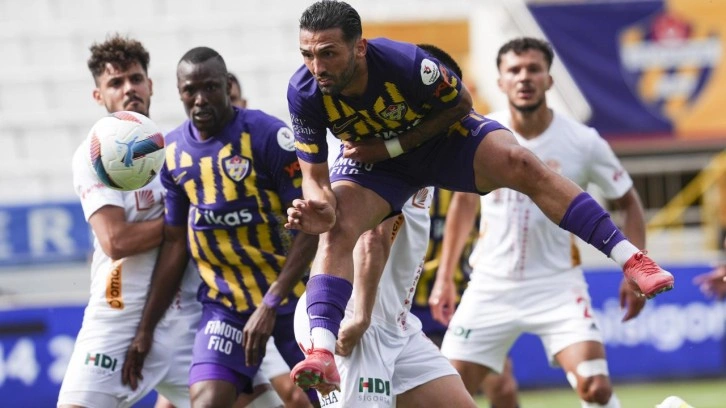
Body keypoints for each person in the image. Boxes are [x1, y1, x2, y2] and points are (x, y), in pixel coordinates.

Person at [284, 0, 673, 393]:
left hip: (439, 142)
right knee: (337, 229)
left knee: (522, 162)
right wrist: (322, 207)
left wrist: (393, 147)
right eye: (307, 55)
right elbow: (314, 178)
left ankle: (632, 259)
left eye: (328, 53)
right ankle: (322, 352)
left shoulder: (406, 64)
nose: (317, 67)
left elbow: (461, 103)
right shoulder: (304, 92)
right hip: (377, 166)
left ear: (359, 48)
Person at [429, 37, 649, 408]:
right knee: (447, 396)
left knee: (595, 386)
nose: (524, 77)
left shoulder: (584, 141)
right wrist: (445, 276)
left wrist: (634, 269)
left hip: (557, 285)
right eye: (514, 70)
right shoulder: (481, 134)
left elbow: (629, 201)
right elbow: (463, 204)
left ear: (549, 79)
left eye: (533, 69)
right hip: (490, 286)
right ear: (501, 82)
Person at [121, 47, 319, 408]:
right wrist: (145, 329)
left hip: (293, 298)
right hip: (227, 305)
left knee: (327, 398)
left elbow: (310, 229)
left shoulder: (268, 136)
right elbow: (175, 244)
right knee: (207, 401)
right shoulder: (173, 153)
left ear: (228, 86)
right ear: (179, 92)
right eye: (190, 90)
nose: (199, 99)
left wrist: (270, 303)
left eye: (210, 88)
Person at [58, 34, 201, 408]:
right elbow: (116, 241)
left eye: (136, 79)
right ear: (99, 95)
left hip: (187, 318)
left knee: (281, 399)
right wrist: (186, 220)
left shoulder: (179, 150)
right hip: (117, 317)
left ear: (150, 85)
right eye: (115, 82)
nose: (129, 89)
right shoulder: (94, 155)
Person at [294, 185, 477, 407]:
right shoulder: (393, 168)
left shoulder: (427, 168)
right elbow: (372, 237)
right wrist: (361, 319)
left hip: (396, 325)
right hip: (355, 322)